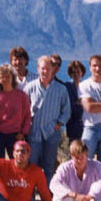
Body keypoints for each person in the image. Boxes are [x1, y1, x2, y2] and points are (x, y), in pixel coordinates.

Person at [24, 56, 71, 184]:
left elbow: (66, 111)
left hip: (52, 133)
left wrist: (58, 125)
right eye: (42, 68)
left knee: (49, 166)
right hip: (34, 133)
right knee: (32, 166)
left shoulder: (61, 89)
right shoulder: (29, 87)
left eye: (48, 69)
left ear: (53, 70)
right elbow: (24, 110)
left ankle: (48, 198)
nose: (45, 71)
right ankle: (30, 197)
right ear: (38, 69)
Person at [0, 64, 31, 160]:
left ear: (12, 77)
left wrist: (23, 133)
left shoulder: (21, 96)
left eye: (7, 76)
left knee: (17, 163)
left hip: (15, 135)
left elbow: (27, 116)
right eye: (2, 77)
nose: (5, 79)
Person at [65, 60, 85, 142]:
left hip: (85, 124)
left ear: (82, 72)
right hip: (72, 125)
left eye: (78, 72)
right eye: (73, 72)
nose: (76, 74)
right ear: (70, 74)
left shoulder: (85, 86)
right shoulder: (67, 86)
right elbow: (69, 106)